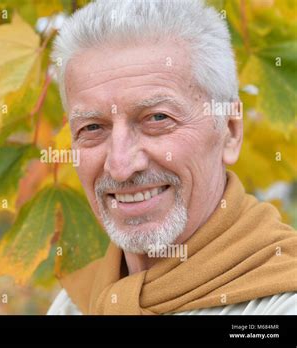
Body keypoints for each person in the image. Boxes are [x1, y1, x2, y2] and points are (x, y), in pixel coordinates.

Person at [47, 0, 297, 315]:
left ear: (230, 131)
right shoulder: (74, 305)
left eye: (157, 119)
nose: (121, 166)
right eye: (93, 127)